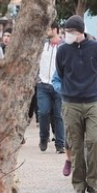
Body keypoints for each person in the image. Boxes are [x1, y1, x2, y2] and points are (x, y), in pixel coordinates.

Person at [55, 15, 97, 193]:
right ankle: (79, 186)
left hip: (93, 101)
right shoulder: (62, 51)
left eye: (72, 31)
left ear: (81, 31)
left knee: (94, 142)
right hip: (71, 102)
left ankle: (93, 182)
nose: (68, 35)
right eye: (66, 31)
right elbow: (61, 73)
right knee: (76, 146)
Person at [37, 21, 65, 153]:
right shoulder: (41, 46)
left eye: (48, 28)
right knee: (43, 112)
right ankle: (44, 137)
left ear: (55, 30)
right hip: (43, 84)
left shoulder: (65, 47)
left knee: (59, 115)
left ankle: (60, 144)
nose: (46, 31)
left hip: (59, 85)